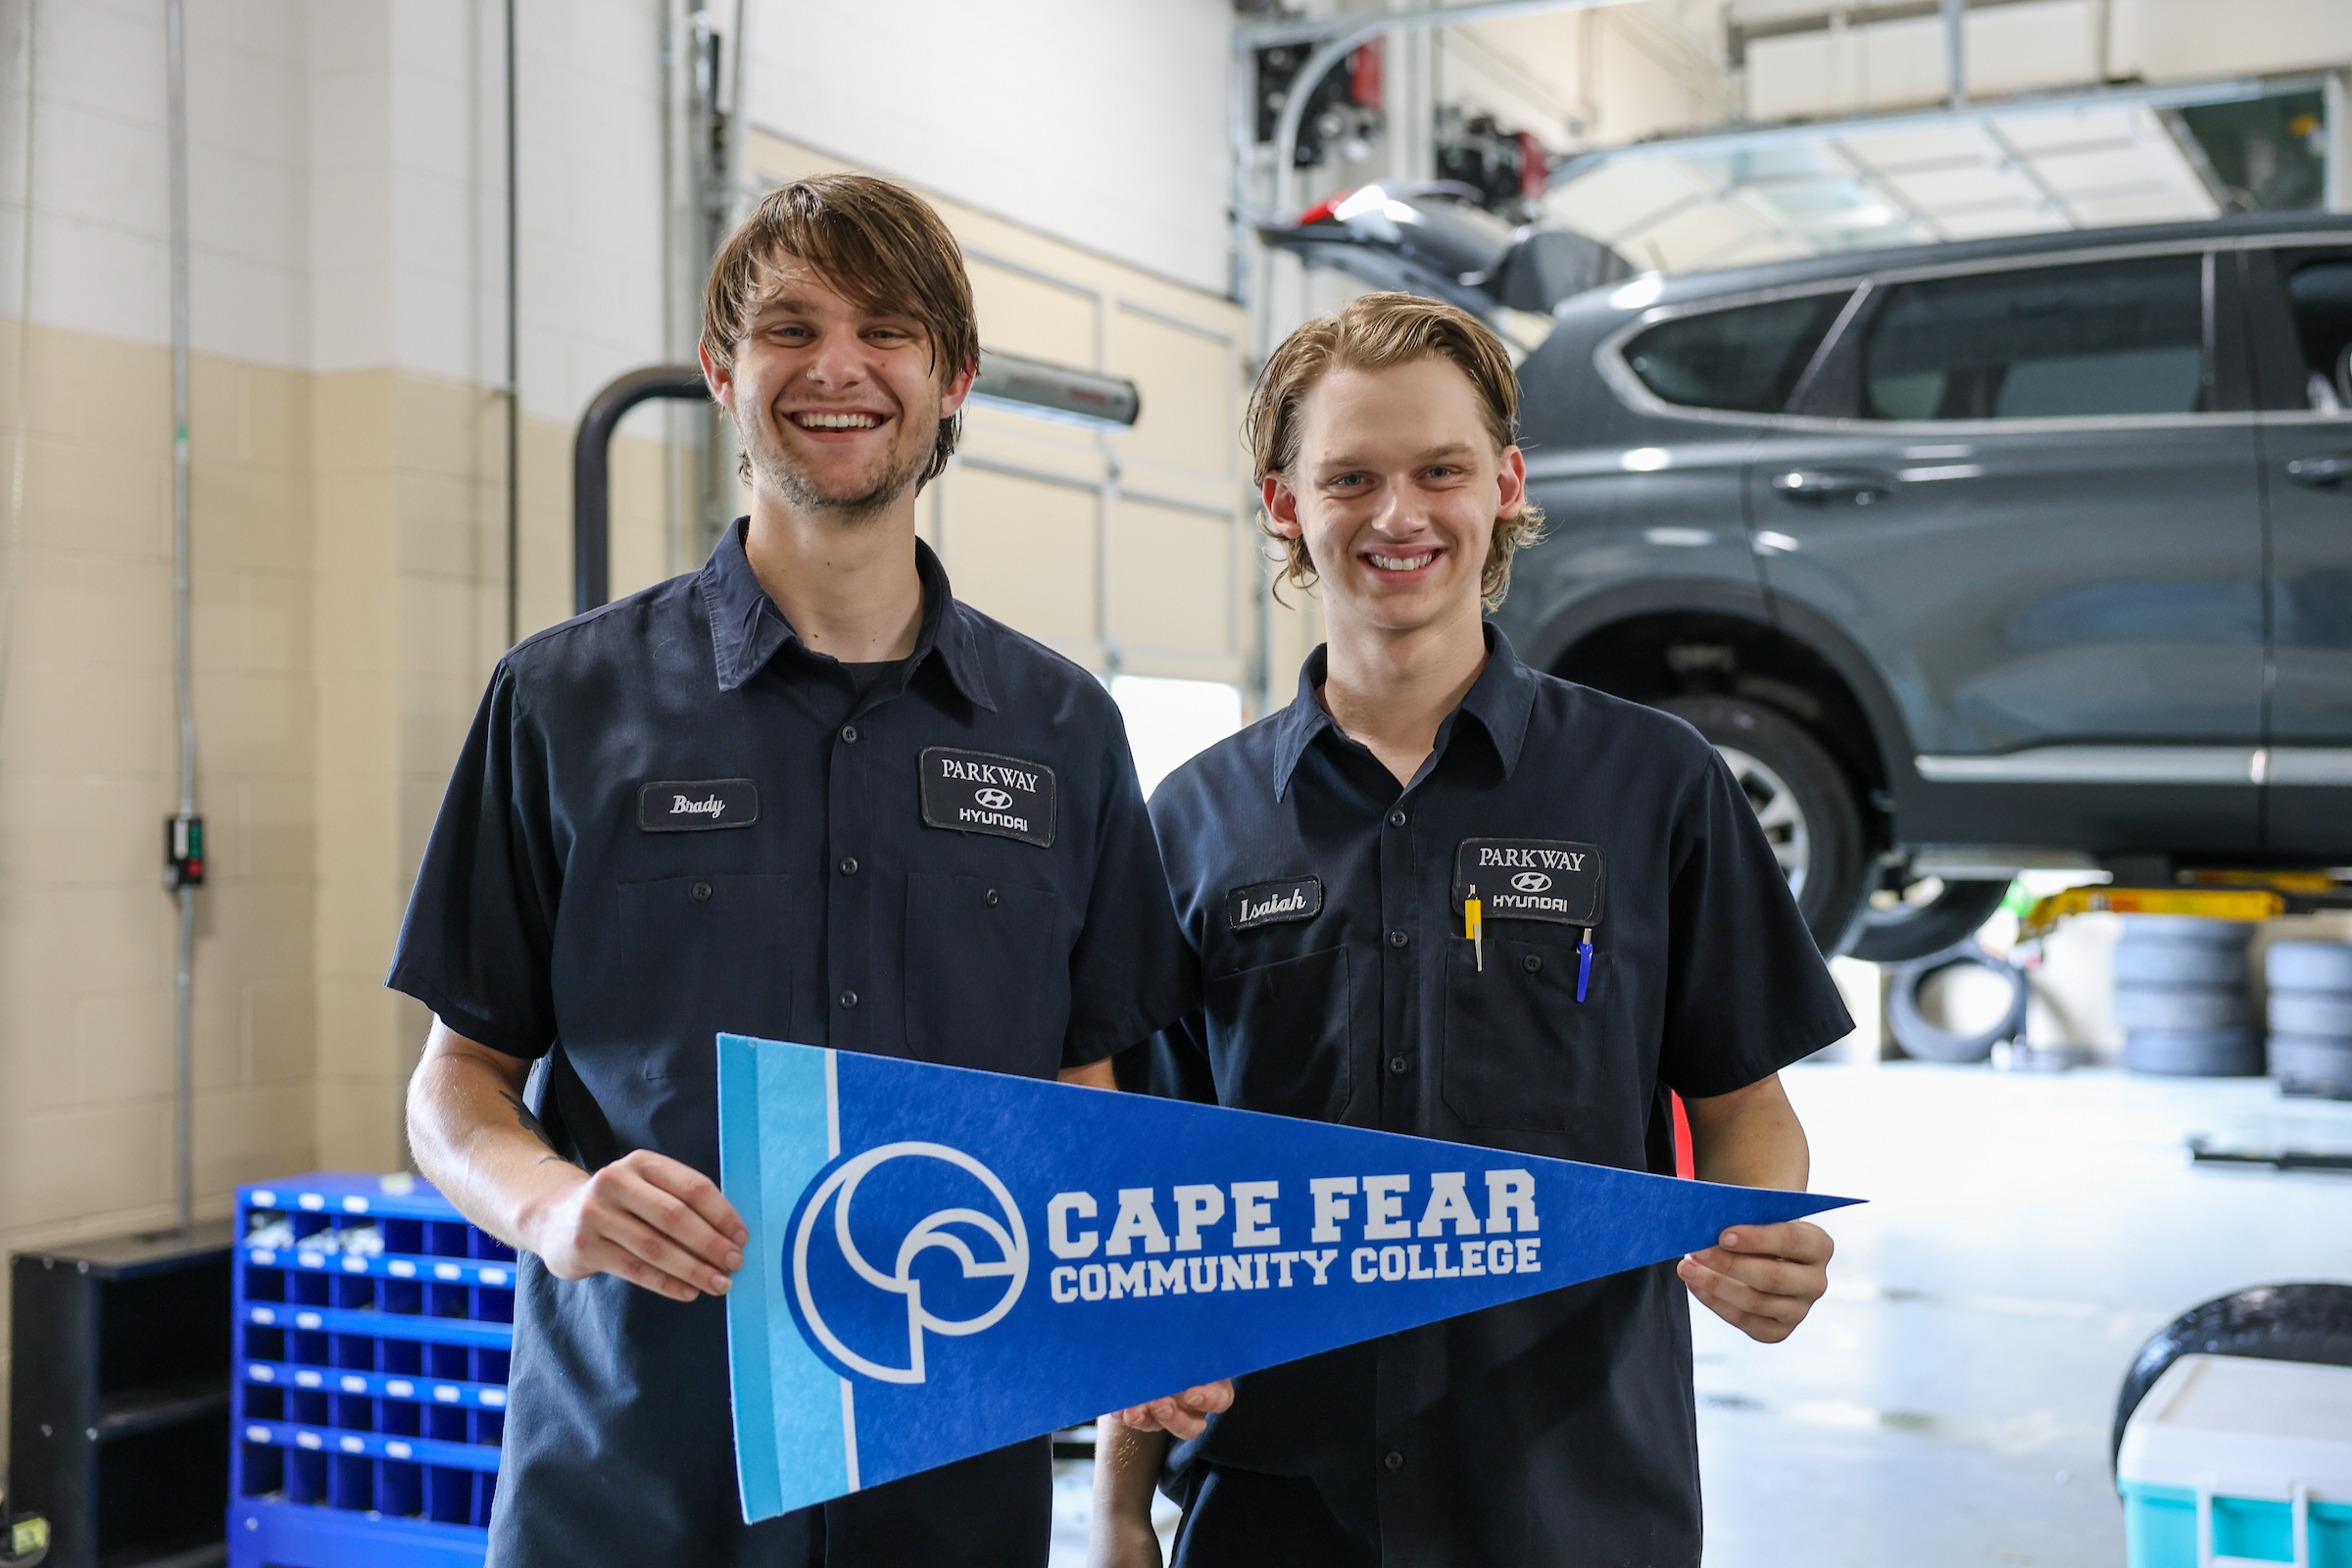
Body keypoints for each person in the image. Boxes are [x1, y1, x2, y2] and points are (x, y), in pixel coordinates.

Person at [392, 173, 1208, 1568]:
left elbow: (1089, 1092)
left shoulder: (1063, 729)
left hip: (948, 1484)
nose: (838, 367)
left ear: (951, 381)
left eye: (887, 330)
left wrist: (1123, 1315)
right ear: (724, 369)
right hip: (635, 1486)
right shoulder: (561, 700)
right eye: (790, 327)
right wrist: (555, 1205)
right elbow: (454, 1080)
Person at [1090, 293, 1849, 1568]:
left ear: (1501, 484)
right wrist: (1117, 1507)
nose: (1399, 515)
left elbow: (1745, 1112)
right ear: (1284, 502)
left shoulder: (1655, 786)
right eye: (1351, 477)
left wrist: (1758, 1237)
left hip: (1576, 1503)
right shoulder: (1195, 821)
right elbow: (1146, 1184)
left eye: (1440, 470)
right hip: (1276, 1510)